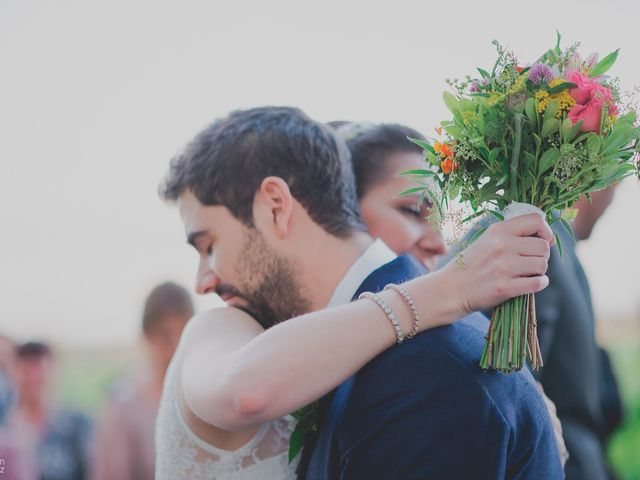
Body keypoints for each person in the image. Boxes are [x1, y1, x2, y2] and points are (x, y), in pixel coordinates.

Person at [155, 106, 563, 479]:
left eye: (209, 245)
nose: (203, 282)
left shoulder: (424, 370)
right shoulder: (342, 353)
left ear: (276, 206)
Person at [534, 186, 623, 480]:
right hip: (561, 463)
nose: (613, 202)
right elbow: (523, 377)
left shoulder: (565, 247)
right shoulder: (548, 242)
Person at [91, 282, 193, 480]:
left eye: (182, 333)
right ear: (148, 335)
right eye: (165, 335)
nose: (175, 346)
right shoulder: (125, 405)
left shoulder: (200, 397)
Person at [0, 342, 92, 480]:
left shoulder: (77, 424)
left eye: (39, 369)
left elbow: (93, 470)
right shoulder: (5, 424)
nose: (33, 378)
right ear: (14, 373)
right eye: (26, 370)